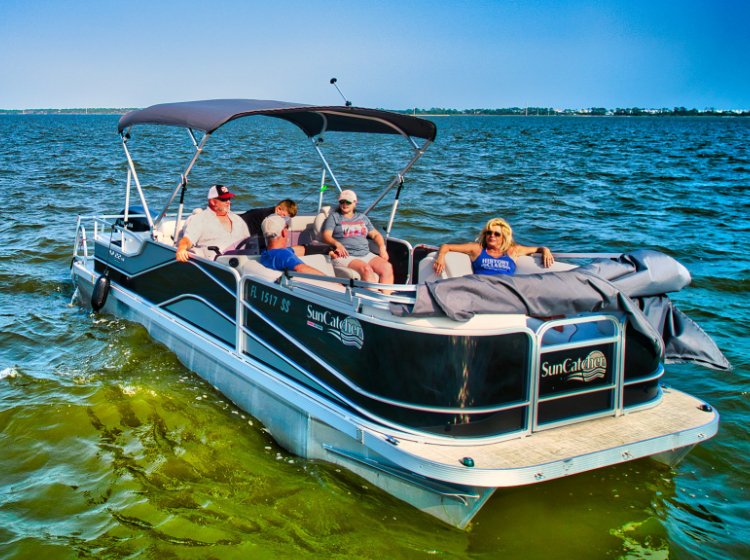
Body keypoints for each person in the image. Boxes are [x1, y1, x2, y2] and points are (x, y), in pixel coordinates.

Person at [321, 189, 394, 287]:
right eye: (342, 202)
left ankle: (386, 299)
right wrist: (337, 244)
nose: (345, 204)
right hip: (347, 256)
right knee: (366, 269)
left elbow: (376, 235)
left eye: (348, 202)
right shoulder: (334, 217)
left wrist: (382, 248)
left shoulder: (362, 217)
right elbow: (326, 236)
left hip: (365, 253)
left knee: (387, 267)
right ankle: (371, 299)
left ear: (355, 203)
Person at [433, 217, 554, 275]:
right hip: (483, 288)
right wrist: (441, 257)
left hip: (505, 289)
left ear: (503, 237)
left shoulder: (513, 251)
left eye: (497, 234)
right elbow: (446, 246)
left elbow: (538, 248)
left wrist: (545, 250)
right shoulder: (477, 249)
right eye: (489, 233)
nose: (492, 236)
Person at [175, 185, 250, 262]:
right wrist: (181, 249)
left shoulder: (238, 220)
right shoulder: (200, 219)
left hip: (242, 261)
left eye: (229, 198)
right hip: (216, 264)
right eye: (224, 199)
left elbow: (249, 243)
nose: (228, 202)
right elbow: (188, 240)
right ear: (213, 201)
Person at [259, 215, 325, 275]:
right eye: (286, 227)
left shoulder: (266, 253)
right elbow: (300, 268)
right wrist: (333, 282)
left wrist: (327, 249)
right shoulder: (283, 255)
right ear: (283, 232)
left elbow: (297, 250)